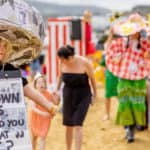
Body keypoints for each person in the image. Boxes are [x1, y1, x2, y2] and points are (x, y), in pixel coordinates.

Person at [106, 15, 150, 143]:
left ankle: (132, 128)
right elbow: (110, 51)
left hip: (139, 78)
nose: (133, 33)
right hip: (124, 77)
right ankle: (129, 129)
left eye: (136, 31)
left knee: (137, 103)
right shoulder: (121, 43)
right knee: (125, 103)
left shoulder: (144, 44)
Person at [0, 36, 57, 128]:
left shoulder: (10, 69)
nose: (1, 49)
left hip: (6, 122)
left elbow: (29, 91)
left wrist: (50, 107)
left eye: (4, 46)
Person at [56, 45, 97, 150]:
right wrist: (57, 91)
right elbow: (60, 77)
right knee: (68, 125)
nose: (61, 61)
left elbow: (92, 79)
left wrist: (95, 95)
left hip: (83, 95)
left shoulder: (85, 63)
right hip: (68, 94)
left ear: (69, 57)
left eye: (63, 59)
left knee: (78, 124)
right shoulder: (62, 62)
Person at [30, 73, 59, 150]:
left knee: (43, 137)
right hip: (35, 118)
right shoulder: (33, 94)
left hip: (45, 119)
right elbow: (33, 108)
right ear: (35, 85)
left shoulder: (48, 94)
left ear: (45, 84)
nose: (41, 84)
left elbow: (55, 103)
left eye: (43, 82)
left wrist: (56, 97)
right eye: (39, 82)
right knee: (34, 137)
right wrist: (42, 113)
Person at [100, 28, 118, 121]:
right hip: (110, 73)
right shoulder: (108, 46)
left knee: (121, 94)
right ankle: (107, 114)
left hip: (119, 73)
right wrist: (111, 34)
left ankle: (120, 113)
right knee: (108, 95)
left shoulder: (121, 44)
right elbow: (107, 46)